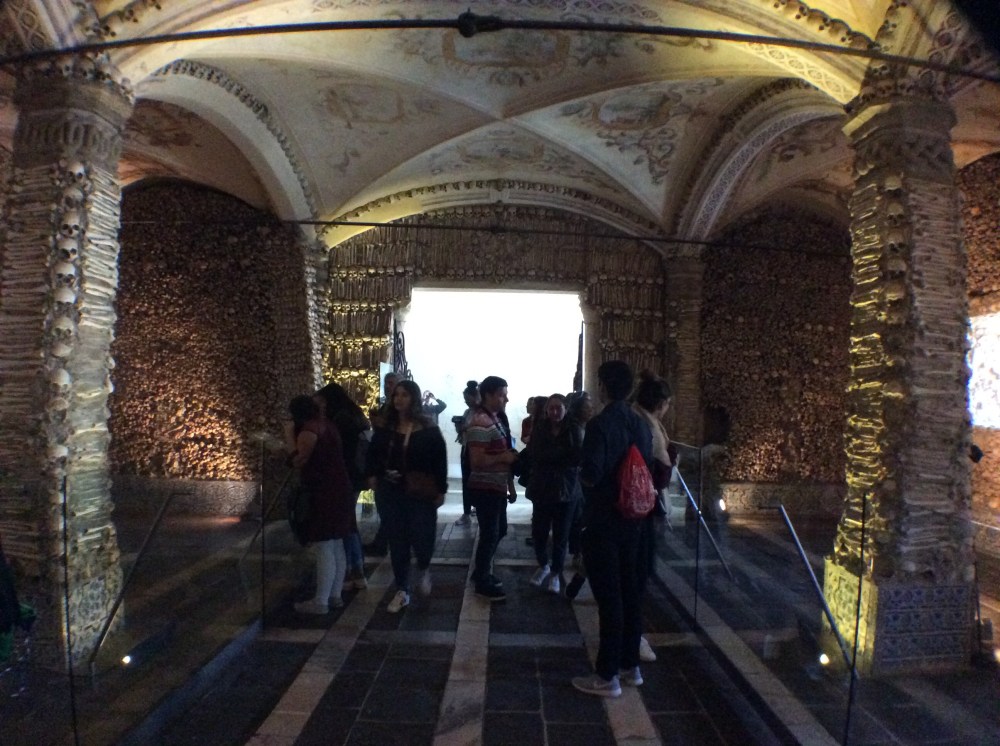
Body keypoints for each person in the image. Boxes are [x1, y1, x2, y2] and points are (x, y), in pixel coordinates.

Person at [572, 361, 653, 697]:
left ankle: (607, 676)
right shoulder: (640, 423)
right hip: (635, 520)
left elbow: (591, 472)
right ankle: (630, 666)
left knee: (609, 597)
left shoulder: (601, 424)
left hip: (605, 520)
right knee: (630, 592)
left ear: (604, 386)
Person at [365, 379, 448, 613]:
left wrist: (440, 489)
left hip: (419, 492)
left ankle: (423, 566)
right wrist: (372, 475)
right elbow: (373, 453)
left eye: (404, 395)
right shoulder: (386, 427)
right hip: (391, 492)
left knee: (422, 537)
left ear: (414, 398)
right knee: (397, 540)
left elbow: (439, 460)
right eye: (396, 395)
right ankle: (402, 589)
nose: (399, 399)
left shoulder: (427, 428)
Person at [285, 395, 355, 615]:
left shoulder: (310, 429)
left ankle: (321, 601)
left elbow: (299, 460)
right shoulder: (328, 425)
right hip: (340, 488)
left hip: (324, 490)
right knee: (336, 542)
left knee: (324, 542)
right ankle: (334, 595)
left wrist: (288, 436)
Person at [466, 375, 519, 601]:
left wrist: (510, 485)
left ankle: (481, 571)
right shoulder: (480, 422)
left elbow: (501, 452)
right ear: (488, 395)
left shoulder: (496, 418)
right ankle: (482, 580)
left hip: (497, 486)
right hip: (485, 487)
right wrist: (505, 458)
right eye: (502, 394)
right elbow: (476, 461)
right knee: (490, 534)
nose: (506, 399)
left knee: (500, 530)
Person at [314, 381, 371, 590]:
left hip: (345, 477)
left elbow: (337, 451)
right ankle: (356, 570)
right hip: (355, 476)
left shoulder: (340, 420)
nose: (319, 407)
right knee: (349, 523)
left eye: (320, 402)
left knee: (346, 525)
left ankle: (353, 570)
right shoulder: (355, 416)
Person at [526, 393, 583, 595]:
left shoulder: (574, 429)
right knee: (539, 532)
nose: (555, 411)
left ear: (565, 409)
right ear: (546, 410)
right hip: (542, 488)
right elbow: (535, 453)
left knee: (561, 534)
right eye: (552, 408)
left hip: (566, 490)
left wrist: (552, 456)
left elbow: (576, 456)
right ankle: (543, 565)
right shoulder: (540, 428)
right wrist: (560, 455)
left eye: (559, 408)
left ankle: (556, 572)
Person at [364, 370, 402, 554]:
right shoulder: (385, 405)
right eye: (386, 383)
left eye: (392, 383)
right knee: (385, 507)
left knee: (388, 508)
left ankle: (385, 543)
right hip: (381, 461)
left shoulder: (399, 410)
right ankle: (383, 541)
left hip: (392, 463)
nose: (388, 387)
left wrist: (381, 425)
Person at [454, 380, 480, 527]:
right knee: (466, 482)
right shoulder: (467, 412)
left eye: (467, 399)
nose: (465, 402)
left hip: (476, 450)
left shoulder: (482, 412)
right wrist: (460, 427)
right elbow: (463, 431)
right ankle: (466, 512)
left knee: (476, 481)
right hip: (466, 448)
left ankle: (476, 507)